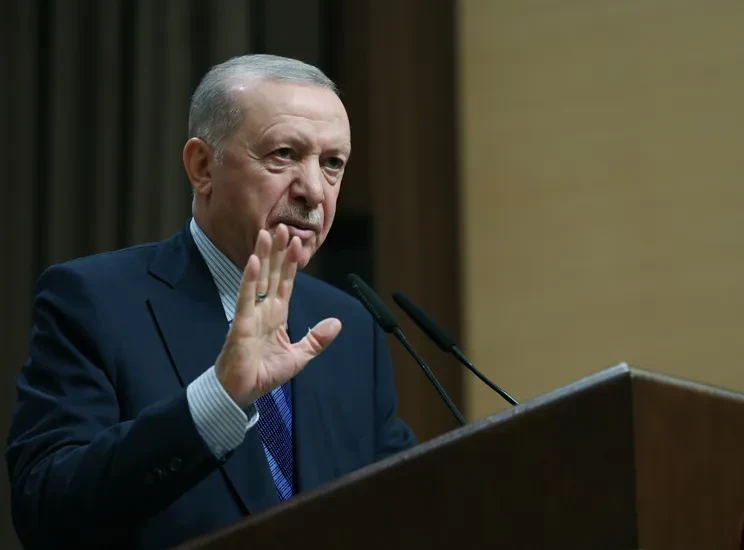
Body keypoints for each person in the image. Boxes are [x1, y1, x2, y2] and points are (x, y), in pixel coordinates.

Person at [5, 54, 416, 549]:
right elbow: (45, 509)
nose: (313, 191)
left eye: (332, 164)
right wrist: (217, 401)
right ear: (203, 167)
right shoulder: (94, 301)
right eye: (284, 153)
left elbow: (406, 506)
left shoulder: (349, 326)